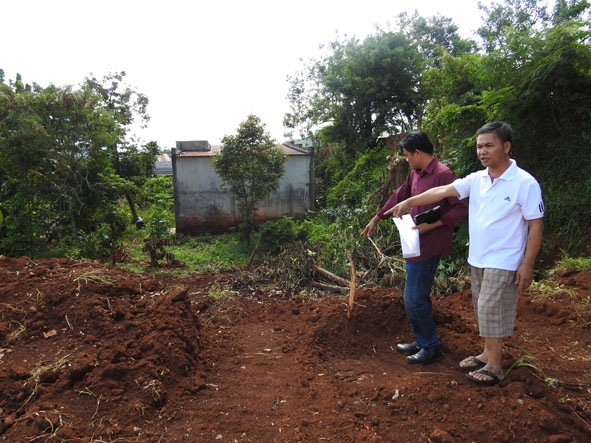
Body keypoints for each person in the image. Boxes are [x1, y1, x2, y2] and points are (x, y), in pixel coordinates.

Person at [387, 122, 544, 385]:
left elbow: (535, 224)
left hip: (504, 259)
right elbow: (443, 191)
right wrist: (409, 201)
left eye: (489, 146)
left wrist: (527, 265)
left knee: (491, 308)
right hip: (479, 257)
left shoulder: (524, 183)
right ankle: (486, 353)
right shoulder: (477, 179)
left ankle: (495, 366)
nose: (482, 151)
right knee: (482, 309)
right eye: (479, 146)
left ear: (506, 147)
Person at [362, 131, 468, 365]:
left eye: (408, 155)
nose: (406, 159)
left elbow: (460, 207)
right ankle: (423, 341)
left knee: (414, 298)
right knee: (416, 296)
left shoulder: (444, 174)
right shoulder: (415, 174)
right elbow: (400, 196)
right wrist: (377, 218)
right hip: (414, 242)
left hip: (430, 243)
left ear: (418, 152)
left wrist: (433, 225)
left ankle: (431, 346)